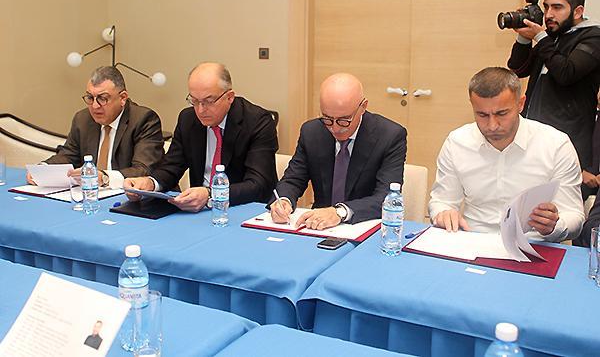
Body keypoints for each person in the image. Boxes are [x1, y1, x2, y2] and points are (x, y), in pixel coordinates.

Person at [429, 67, 584, 242]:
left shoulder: (555, 144)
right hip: (473, 241)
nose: (492, 125)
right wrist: (444, 213)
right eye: (482, 115)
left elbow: (574, 215)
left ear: (521, 104)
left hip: (535, 243)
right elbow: (442, 201)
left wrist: (554, 226)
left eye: (501, 113)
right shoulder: (457, 142)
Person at [124, 62, 278, 212]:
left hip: (242, 209)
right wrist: (150, 183)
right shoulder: (188, 119)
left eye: (209, 101)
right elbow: (171, 167)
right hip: (198, 211)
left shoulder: (258, 122)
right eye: (194, 101)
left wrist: (210, 194)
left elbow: (258, 184)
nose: (200, 110)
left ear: (229, 97)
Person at [269, 73, 406, 230]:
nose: (335, 128)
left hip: (363, 227)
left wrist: (340, 212)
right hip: (318, 228)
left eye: (344, 120)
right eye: (327, 118)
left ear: (363, 107)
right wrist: (284, 200)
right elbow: (293, 179)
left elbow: (385, 198)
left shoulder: (389, 136)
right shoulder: (312, 131)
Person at [506, 0, 600, 199]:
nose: (548, 14)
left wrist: (540, 37)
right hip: (533, 134)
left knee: (559, 206)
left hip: (569, 139)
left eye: (557, 7)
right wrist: (524, 39)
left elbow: (566, 73)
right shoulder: (551, 37)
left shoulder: (593, 37)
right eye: (546, 7)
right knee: (527, 202)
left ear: (577, 11)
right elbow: (517, 69)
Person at [26, 66, 164, 188]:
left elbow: (143, 169)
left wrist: (105, 177)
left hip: (129, 197)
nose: (95, 106)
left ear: (122, 98)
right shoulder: (83, 119)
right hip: (91, 195)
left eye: (102, 98)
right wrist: (42, 169)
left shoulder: (144, 120)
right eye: (90, 98)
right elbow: (68, 155)